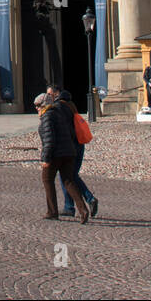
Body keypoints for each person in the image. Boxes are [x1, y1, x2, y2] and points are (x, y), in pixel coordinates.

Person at [35, 93, 89, 223]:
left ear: (43, 105)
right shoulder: (59, 113)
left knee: (47, 180)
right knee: (68, 181)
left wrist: (45, 159)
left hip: (56, 154)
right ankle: (83, 210)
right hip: (69, 152)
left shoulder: (47, 116)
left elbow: (49, 140)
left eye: (38, 105)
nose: (36, 108)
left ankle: (52, 211)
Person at [57, 89, 98, 218]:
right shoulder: (73, 109)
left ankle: (74, 205)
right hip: (80, 145)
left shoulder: (61, 109)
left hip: (70, 146)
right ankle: (71, 205)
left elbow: (64, 130)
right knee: (72, 175)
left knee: (67, 176)